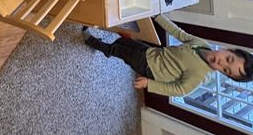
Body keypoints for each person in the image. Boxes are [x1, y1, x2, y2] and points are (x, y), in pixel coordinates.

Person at [82, 16, 253, 96]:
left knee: (118, 50)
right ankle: (114, 47)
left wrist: (150, 84)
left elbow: (180, 90)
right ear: (229, 50)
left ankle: (93, 42)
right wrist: (158, 16)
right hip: (152, 53)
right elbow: (179, 33)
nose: (221, 63)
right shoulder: (201, 44)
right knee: (124, 43)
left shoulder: (200, 76)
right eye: (228, 59)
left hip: (150, 68)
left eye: (225, 70)